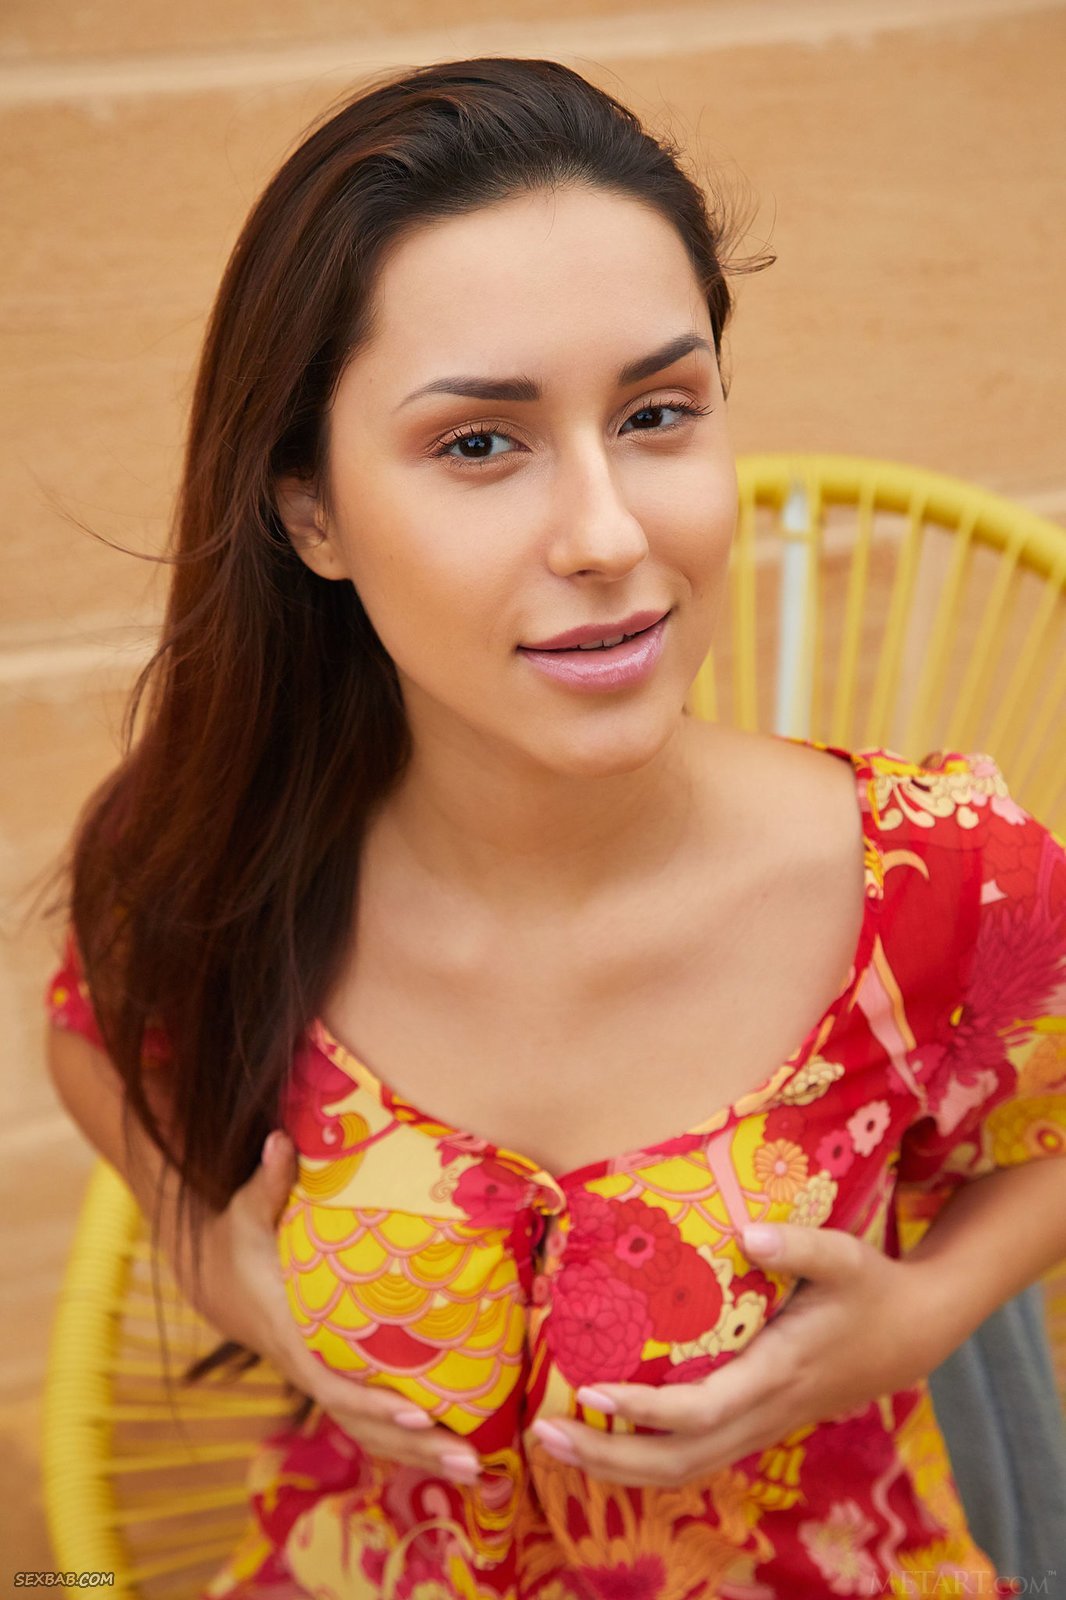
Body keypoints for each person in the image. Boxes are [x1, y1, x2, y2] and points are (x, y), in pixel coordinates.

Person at [41, 54, 1066, 1599]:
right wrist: (219, 1263)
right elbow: (90, 1035)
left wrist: (922, 1316)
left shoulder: (939, 880)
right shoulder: (212, 860)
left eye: (657, 414)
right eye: (479, 443)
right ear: (310, 512)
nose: (605, 532)